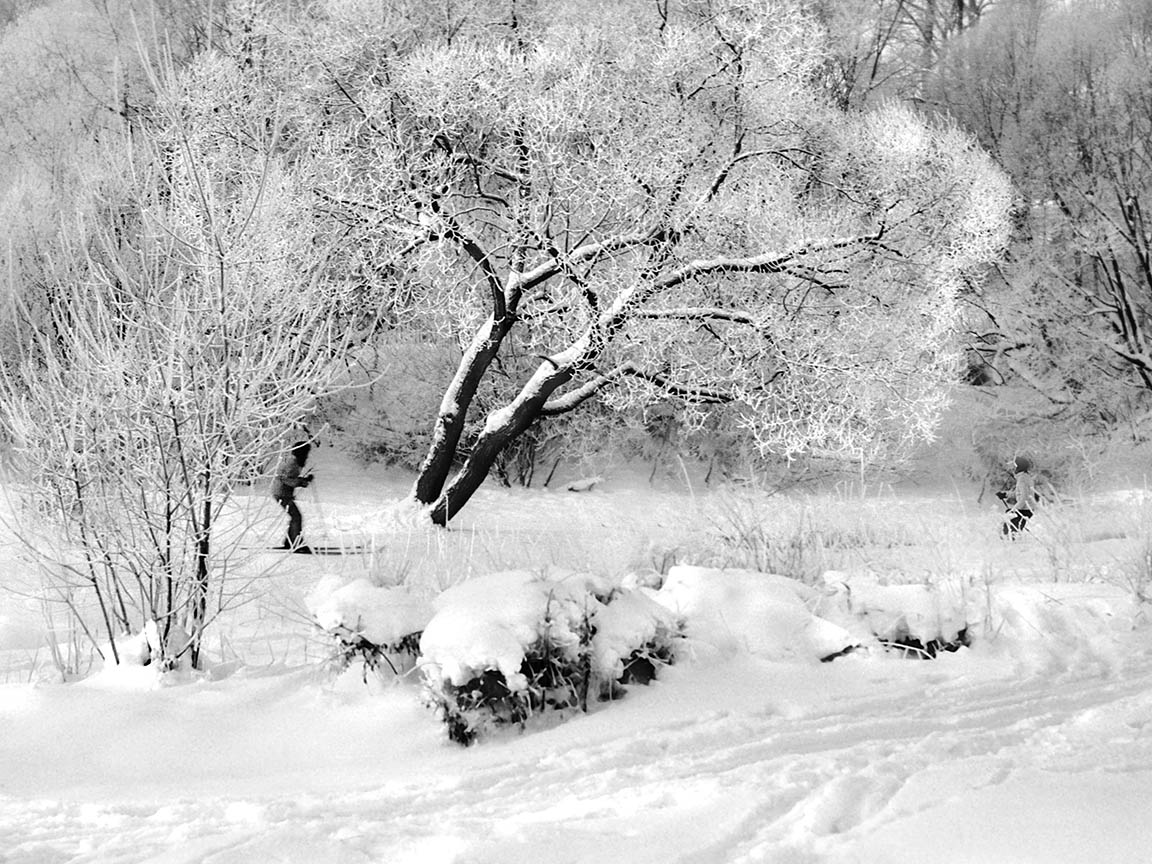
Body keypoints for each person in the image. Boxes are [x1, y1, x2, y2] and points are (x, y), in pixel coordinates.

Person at [271, 441, 314, 553]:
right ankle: (296, 543)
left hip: (282, 493)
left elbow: (289, 478)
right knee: (296, 517)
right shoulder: (292, 463)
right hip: (282, 493)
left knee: (295, 517)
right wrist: (302, 482)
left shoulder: (294, 461)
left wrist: (303, 480)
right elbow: (285, 479)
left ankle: (290, 541)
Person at [997, 455, 1039, 539]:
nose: (1013, 469)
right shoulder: (1024, 478)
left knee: (1008, 528)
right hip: (1027, 509)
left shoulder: (1022, 480)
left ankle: (1009, 545)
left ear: (1019, 467)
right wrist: (1005, 494)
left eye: (1015, 466)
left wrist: (1013, 510)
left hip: (1025, 510)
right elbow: (1018, 493)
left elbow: (1024, 498)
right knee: (1011, 528)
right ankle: (1011, 542)